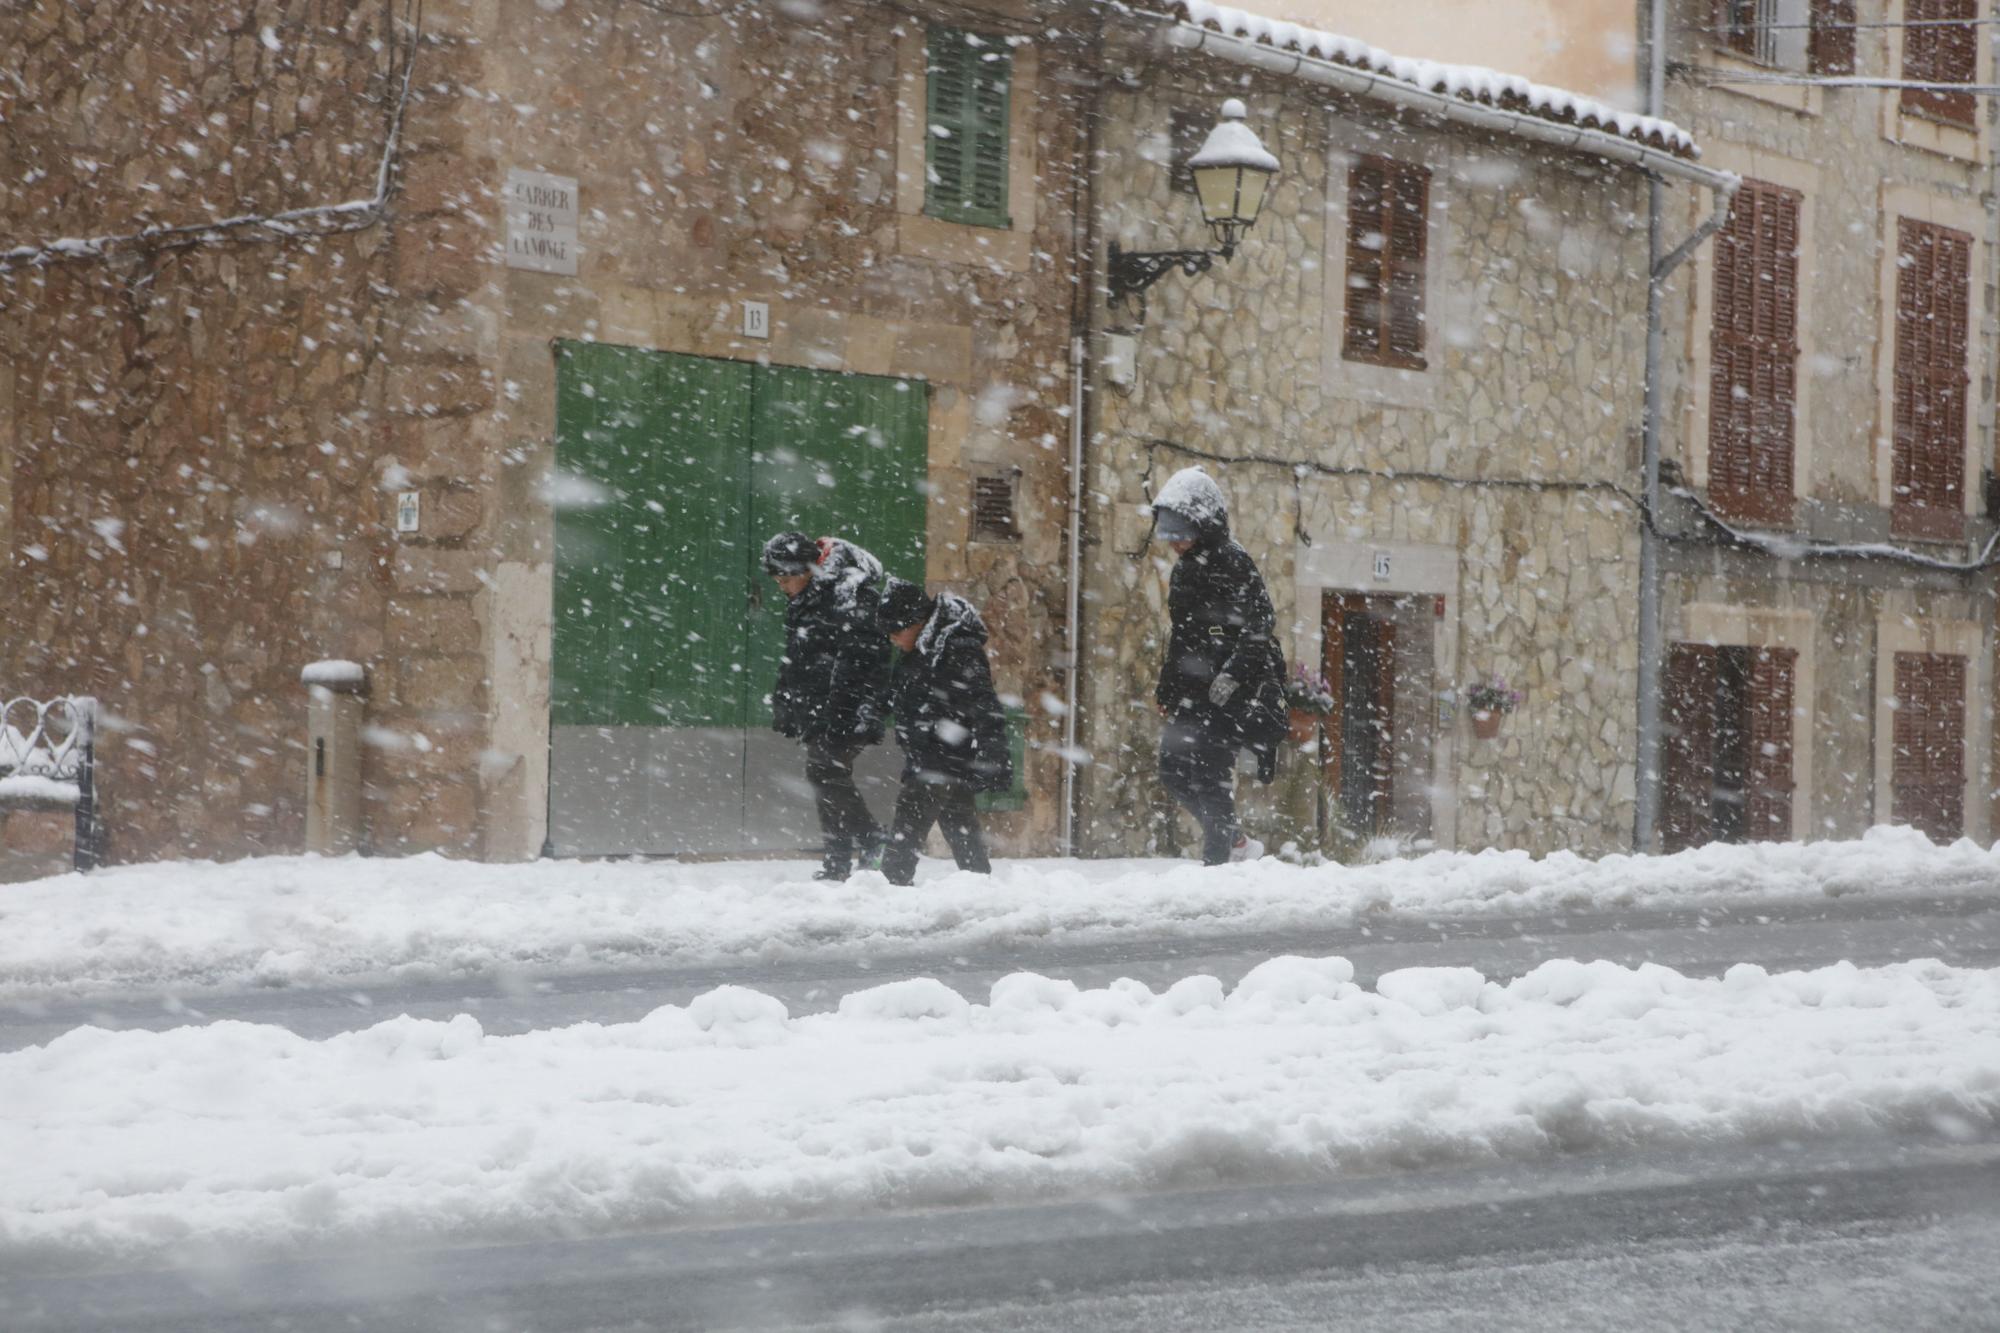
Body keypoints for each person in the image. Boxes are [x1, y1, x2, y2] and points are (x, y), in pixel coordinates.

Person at [1149, 467, 1287, 866]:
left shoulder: (1234, 561)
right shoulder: (1185, 569)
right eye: (1169, 530)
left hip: (1227, 695)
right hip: (1191, 691)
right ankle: (1237, 842)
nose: (1174, 541)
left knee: (1210, 781)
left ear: (1204, 522)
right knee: (1173, 772)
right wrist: (1167, 690)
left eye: (1181, 529)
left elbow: (1260, 625)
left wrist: (1232, 675)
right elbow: (1182, 636)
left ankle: (1217, 866)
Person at [763, 531, 891, 881]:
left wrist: (862, 707)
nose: (782, 587)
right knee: (825, 775)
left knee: (824, 772)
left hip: (848, 705)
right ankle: (837, 860)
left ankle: (873, 839)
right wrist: (785, 700)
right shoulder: (808, 597)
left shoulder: (849, 594)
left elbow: (869, 658)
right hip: (819, 705)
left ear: (807, 569)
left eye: (787, 579)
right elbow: (797, 655)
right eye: (778, 581)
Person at [873, 577, 1012, 886]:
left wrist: (994, 752)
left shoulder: (956, 647)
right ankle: (980, 884)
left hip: (943, 753)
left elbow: (984, 703)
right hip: (933, 750)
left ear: (918, 621)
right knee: (959, 824)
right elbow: (898, 692)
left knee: (907, 825)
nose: (894, 639)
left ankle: (890, 886)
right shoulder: (921, 647)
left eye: (897, 631)